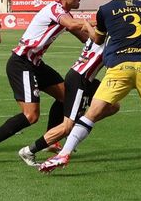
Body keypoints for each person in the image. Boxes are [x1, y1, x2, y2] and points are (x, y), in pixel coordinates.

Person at [39, 0, 141, 174]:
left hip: (119, 67)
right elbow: (138, 26)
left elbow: (98, 39)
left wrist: (86, 26)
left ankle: (63, 154)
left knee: (90, 115)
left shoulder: (106, 9)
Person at [0, 0, 89, 165]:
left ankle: (49, 140)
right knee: (31, 115)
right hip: (21, 63)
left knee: (65, 95)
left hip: (35, 64)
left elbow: (86, 37)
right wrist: (98, 22)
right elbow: (73, 25)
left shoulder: (66, 15)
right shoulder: (56, 9)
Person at [19, 34, 112, 165]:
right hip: (80, 78)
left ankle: (80, 123)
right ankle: (29, 151)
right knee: (67, 127)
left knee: (112, 106)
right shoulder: (110, 36)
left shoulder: (101, 33)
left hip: (86, 78)